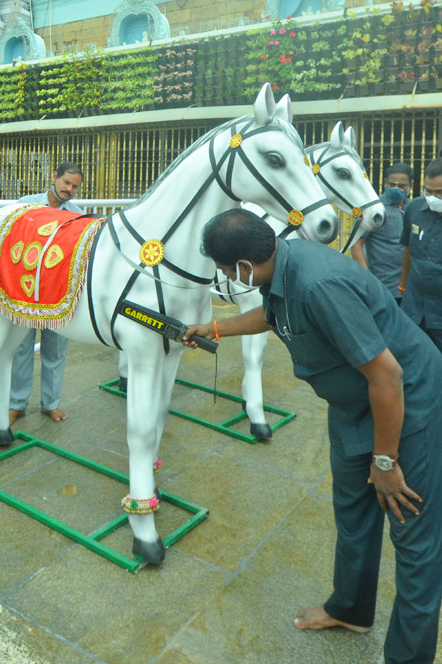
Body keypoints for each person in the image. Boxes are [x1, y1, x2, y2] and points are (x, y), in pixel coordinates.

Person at [184, 208, 442, 664]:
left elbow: (388, 375)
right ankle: (352, 609)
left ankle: (408, 657)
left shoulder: (319, 283)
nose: (227, 278)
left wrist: (385, 461)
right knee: (354, 514)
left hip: (406, 404)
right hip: (352, 405)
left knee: (414, 540)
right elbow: (271, 315)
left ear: (244, 264)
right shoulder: (278, 264)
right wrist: (217, 327)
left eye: (226, 271)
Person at [8, 162, 83, 426]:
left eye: (75, 186)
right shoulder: (26, 205)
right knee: (20, 348)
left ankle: (50, 404)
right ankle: (16, 404)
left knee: (56, 351)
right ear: (54, 177)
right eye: (66, 183)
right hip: (25, 293)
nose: (69, 189)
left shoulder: (78, 215)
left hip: (57, 296)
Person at [351, 162, 412, 304]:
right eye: (392, 184)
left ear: (409, 186)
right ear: (385, 183)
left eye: (401, 186)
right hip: (382, 287)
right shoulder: (373, 209)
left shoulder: (412, 208)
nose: (396, 188)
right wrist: (368, 278)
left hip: (409, 288)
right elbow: (356, 244)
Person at [399, 157, 442, 352]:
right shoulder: (414, 208)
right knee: (414, 363)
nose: (432, 197)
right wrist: (403, 285)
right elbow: (408, 249)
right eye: (428, 191)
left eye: (439, 193)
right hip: (414, 309)